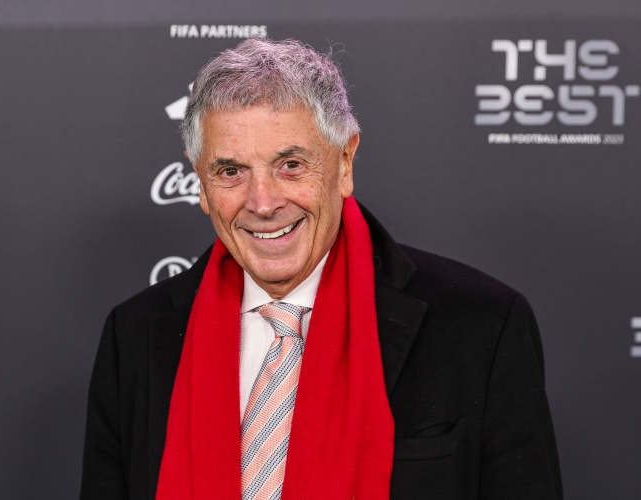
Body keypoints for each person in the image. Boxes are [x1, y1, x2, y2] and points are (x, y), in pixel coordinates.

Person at [80, 38, 562, 499]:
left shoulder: (482, 325)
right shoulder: (134, 335)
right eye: (231, 172)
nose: (263, 203)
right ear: (201, 184)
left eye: (290, 164)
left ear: (345, 162)